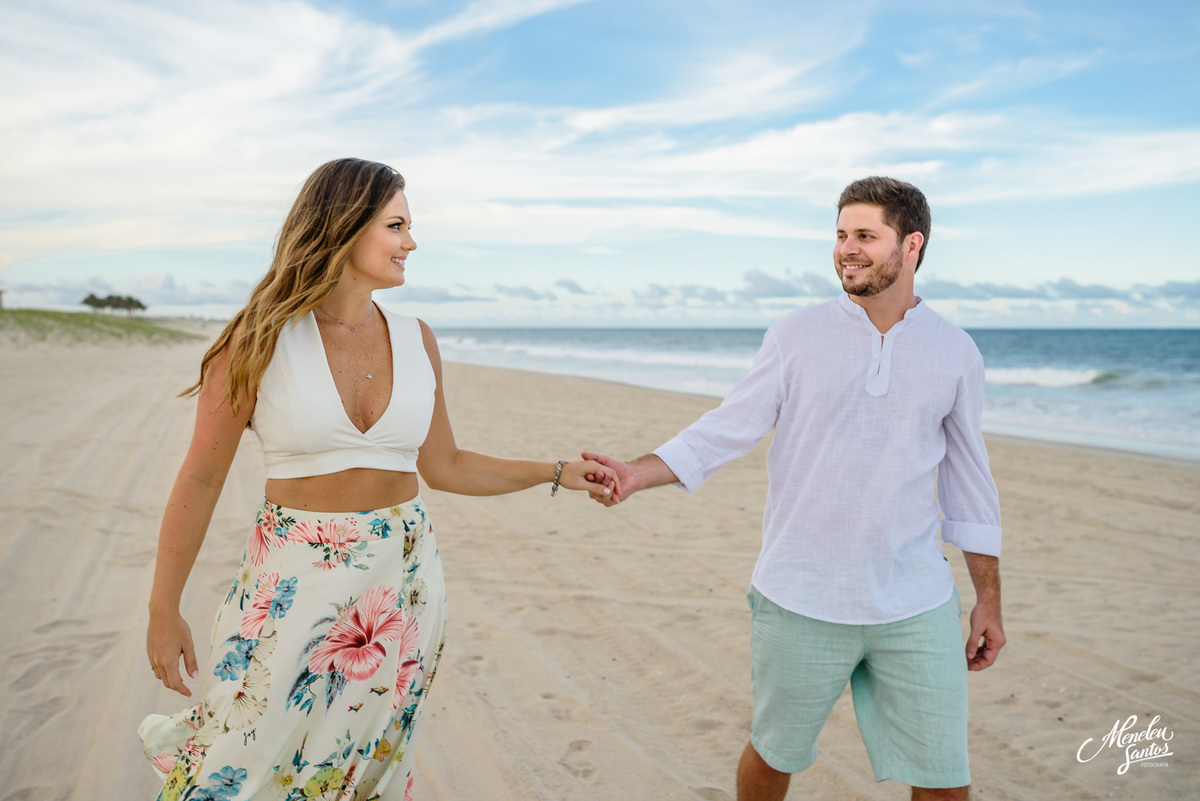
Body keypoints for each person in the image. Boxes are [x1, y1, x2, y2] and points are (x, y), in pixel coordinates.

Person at [140, 157, 617, 801]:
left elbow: (445, 465)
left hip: (404, 583)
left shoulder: (417, 338)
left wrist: (556, 472)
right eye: (396, 226)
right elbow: (198, 481)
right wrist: (162, 610)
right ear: (344, 227)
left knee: (364, 770)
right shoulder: (258, 341)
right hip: (293, 586)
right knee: (247, 761)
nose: (411, 243)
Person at [585, 177, 1003, 801]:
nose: (846, 249)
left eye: (865, 235)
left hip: (915, 602)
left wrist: (988, 600)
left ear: (911, 245)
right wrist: (638, 473)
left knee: (944, 778)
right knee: (774, 755)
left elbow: (970, 481)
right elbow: (728, 429)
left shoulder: (956, 351)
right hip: (800, 595)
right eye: (840, 235)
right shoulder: (795, 334)